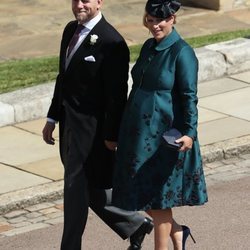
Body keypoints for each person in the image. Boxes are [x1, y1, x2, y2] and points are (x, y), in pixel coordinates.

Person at [42, 0, 154, 249]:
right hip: (68, 126)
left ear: (99, 2)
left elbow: (116, 95)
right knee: (87, 188)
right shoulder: (69, 30)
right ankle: (135, 224)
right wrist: (52, 117)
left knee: (74, 191)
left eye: (86, 0)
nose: (79, 5)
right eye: (76, 0)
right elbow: (64, 79)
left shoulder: (112, 42)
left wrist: (111, 135)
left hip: (92, 133)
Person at [112, 0, 208, 249]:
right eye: (151, 20)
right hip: (139, 135)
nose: (156, 25)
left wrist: (190, 133)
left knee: (159, 202)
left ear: (173, 19)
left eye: (161, 20)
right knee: (142, 195)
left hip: (165, 139)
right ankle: (178, 233)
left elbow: (190, 97)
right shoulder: (148, 46)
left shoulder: (182, 53)